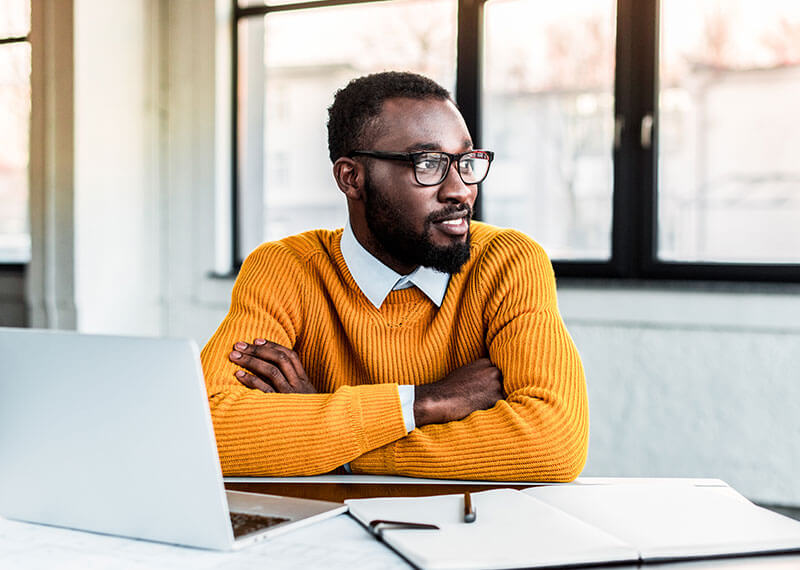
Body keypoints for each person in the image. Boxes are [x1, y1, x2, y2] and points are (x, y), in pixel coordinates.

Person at [201, 71, 588, 480]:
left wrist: (336, 446)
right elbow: (204, 426)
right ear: (352, 178)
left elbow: (553, 442)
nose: (460, 190)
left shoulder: (507, 262)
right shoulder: (286, 268)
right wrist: (423, 402)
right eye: (429, 163)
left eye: (466, 161)